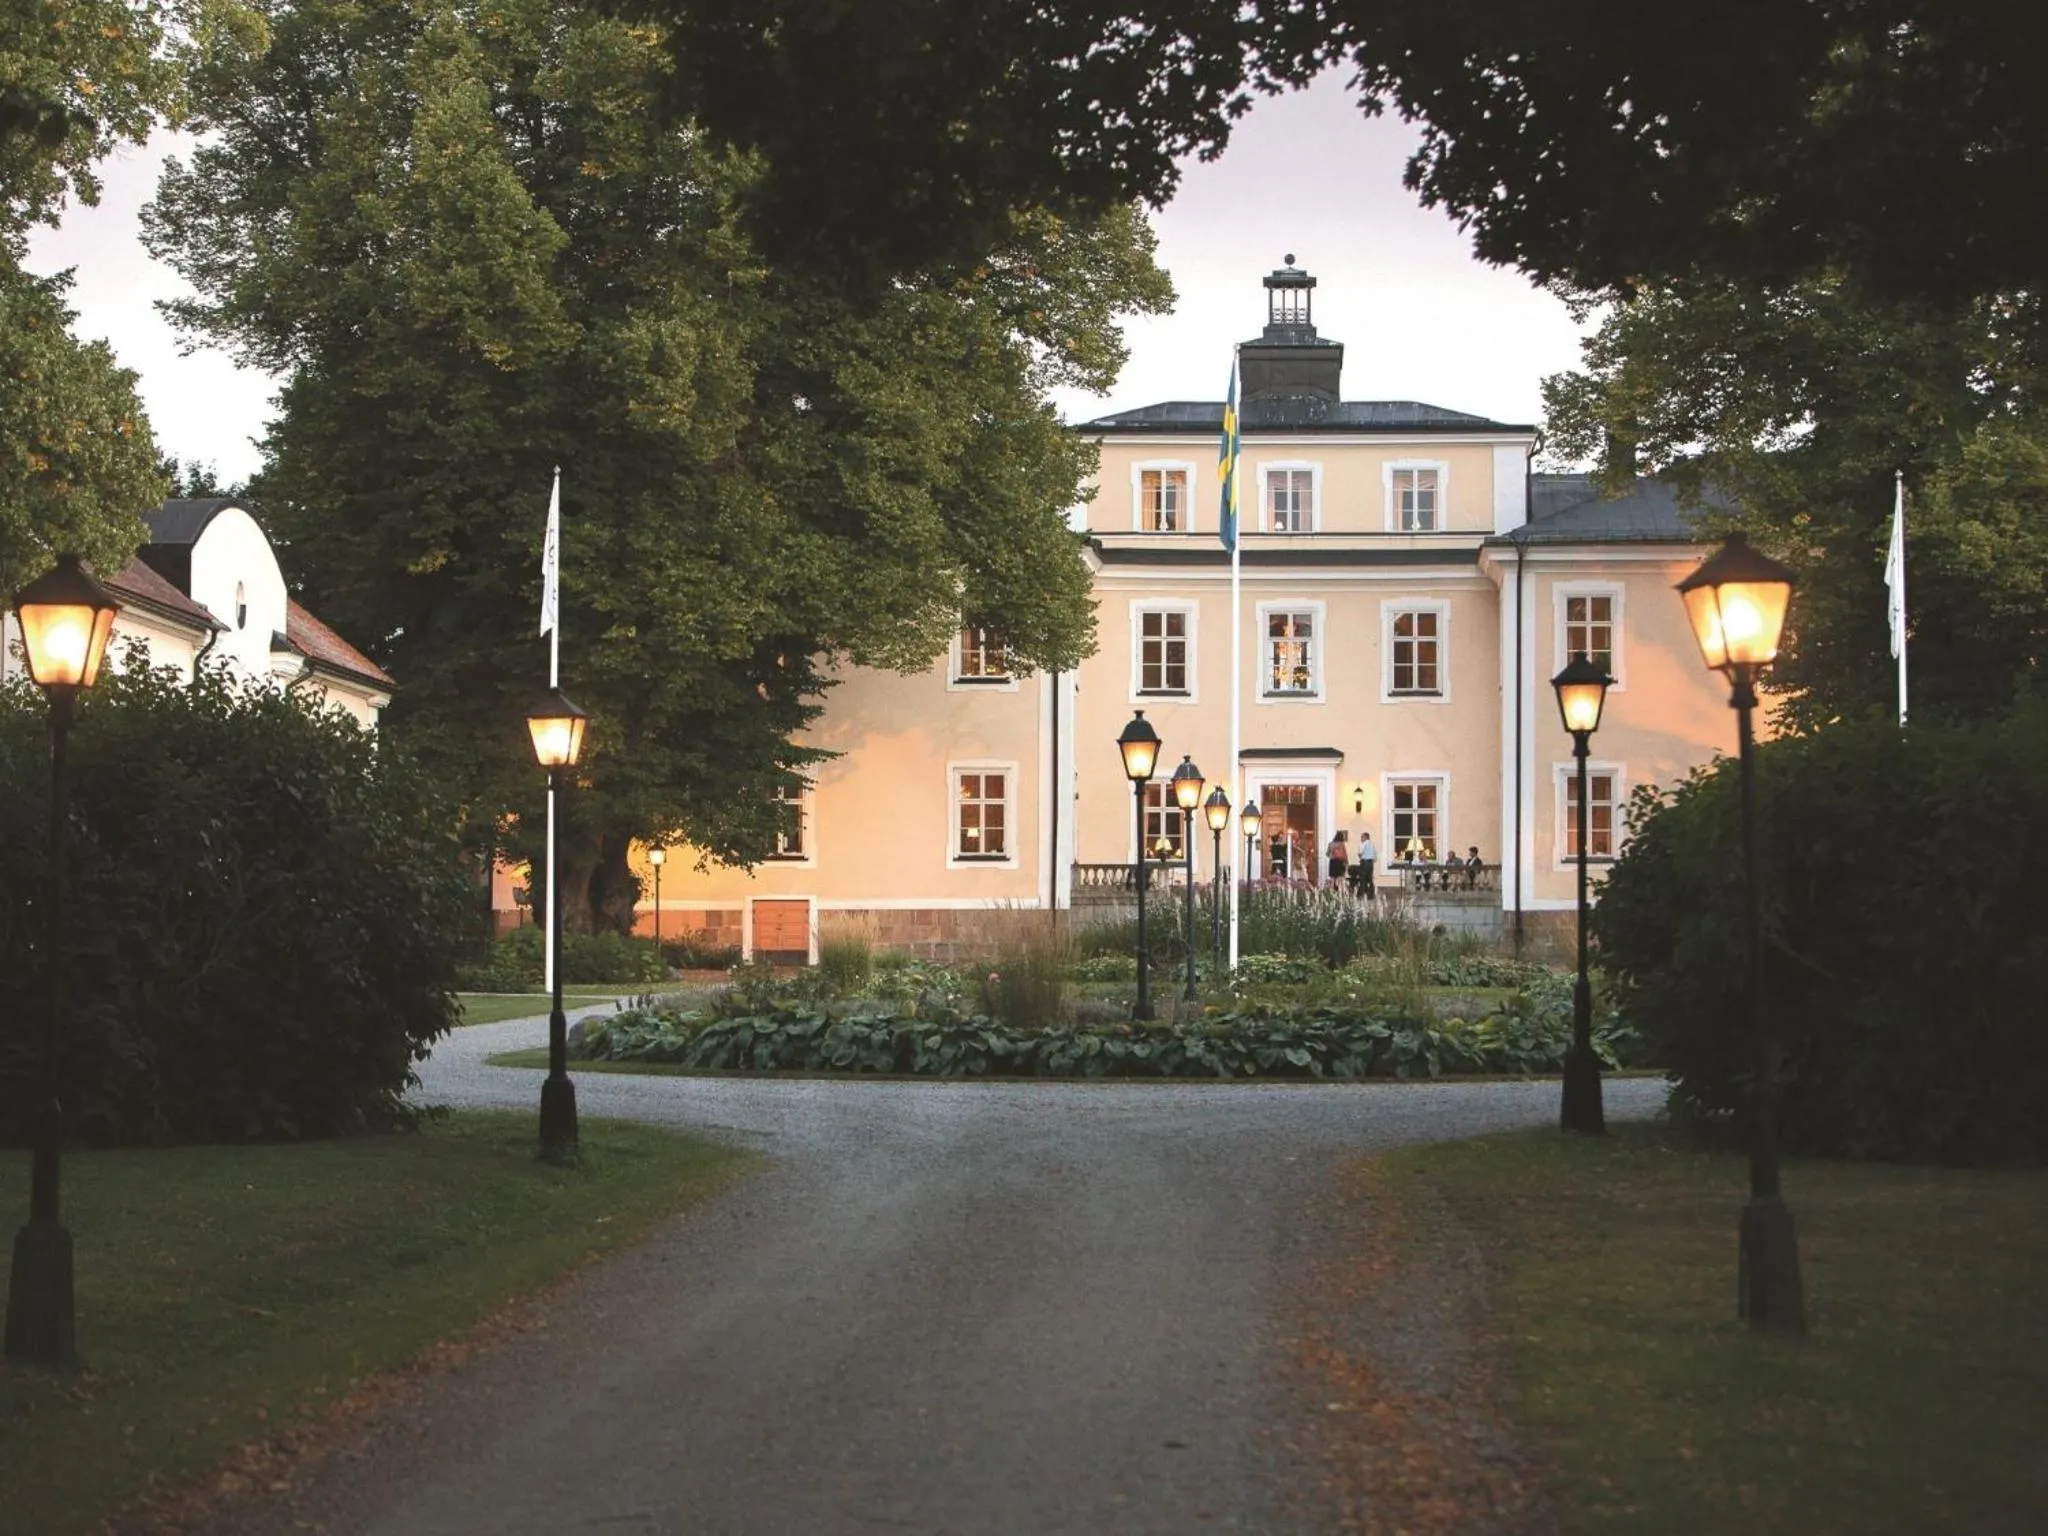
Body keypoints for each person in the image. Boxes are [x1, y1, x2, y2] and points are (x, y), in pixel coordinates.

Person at [1355, 832, 1377, 899]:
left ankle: (1362, 894)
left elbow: (1360, 853)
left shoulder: (1364, 844)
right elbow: (1375, 855)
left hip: (1365, 862)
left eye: (1362, 837)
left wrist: (1360, 856)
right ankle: (1371, 895)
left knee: (1363, 878)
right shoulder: (1372, 844)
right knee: (1370, 879)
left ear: (1366, 837)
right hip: (1371, 863)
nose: (1361, 838)